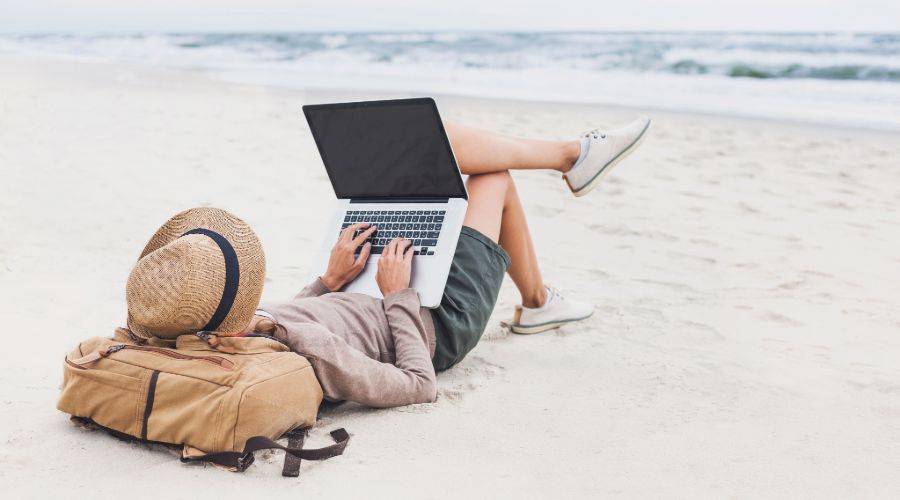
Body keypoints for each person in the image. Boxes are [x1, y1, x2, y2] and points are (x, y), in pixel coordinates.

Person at [246, 116, 652, 408]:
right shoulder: (308, 348)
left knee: (418, 142)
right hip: (434, 322)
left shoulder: (222, 327)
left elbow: (291, 316)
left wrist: (328, 281)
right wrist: (399, 294)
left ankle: (540, 299)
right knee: (491, 178)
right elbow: (418, 384)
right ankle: (571, 158)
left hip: (362, 291)